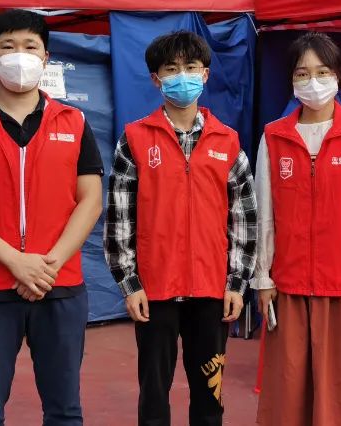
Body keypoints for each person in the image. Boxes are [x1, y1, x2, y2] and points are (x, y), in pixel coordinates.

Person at [0, 9, 104, 426]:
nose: (20, 55)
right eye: (8, 46)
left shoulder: (74, 121)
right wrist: (15, 261)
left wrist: (48, 265)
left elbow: (90, 200)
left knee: (64, 409)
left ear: (46, 56)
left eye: (30, 46)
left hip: (60, 284)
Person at [105, 31, 257, 426]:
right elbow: (120, 217)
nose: (182, 76)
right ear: (156, 79)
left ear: (205, 75)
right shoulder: (135, 139)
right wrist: (130, 284)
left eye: (190, 67)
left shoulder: (228, 141)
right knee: (154, 396)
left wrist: (236, 284)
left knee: (210, 399)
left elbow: (244, 218)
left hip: (212, 290)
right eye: (171, 69)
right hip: (154, 290)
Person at [253, 32, 341, 426]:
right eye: (302, 73)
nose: (312, 81)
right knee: (289, 395)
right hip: (290, 288)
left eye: (321, 71)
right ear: (292, 80)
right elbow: (265, 213)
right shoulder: (274, 136)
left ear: (337, 76)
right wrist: (263, 277)